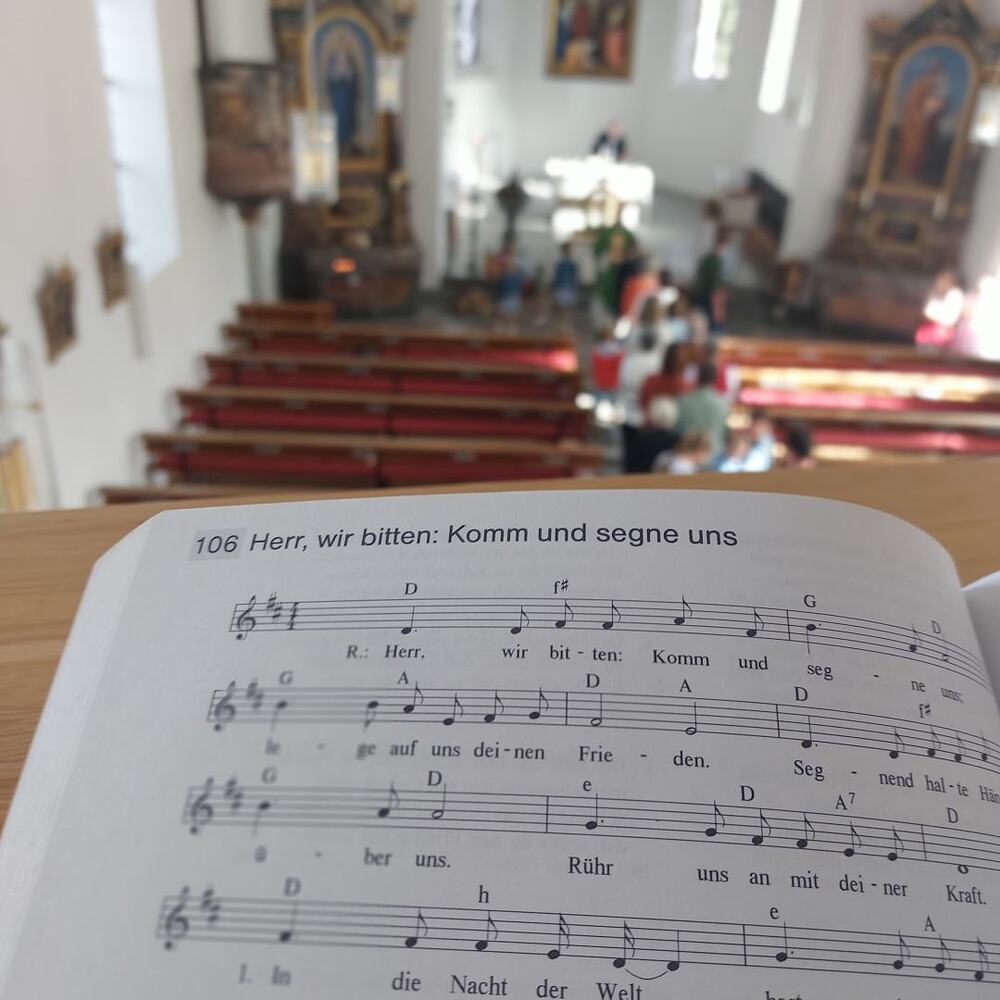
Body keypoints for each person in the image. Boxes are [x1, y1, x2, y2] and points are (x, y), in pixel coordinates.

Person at [618, 309, 666, 473]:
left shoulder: (630, 361)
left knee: (630, 458)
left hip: (631, 413)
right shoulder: (657, 363)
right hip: (643, 415)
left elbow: (622, 383)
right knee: (643, 461)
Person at [675, 362, 729, 459]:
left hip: (686, 454)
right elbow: (724, 432)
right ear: (715, 379)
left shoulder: (683, 400)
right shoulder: (722, 403)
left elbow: (676, 429)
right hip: (712, 456)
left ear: (698, 377)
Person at [693, 229, 730, 332]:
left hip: (703, 294)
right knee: (714, 327)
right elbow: (715, 287)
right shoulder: (716, 261)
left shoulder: (707, 258)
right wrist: (718, 308)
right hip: (710, 297)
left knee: (702, 324)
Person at [551, 243, 580, 313]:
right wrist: (554, 288)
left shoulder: (572, 263)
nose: (566, 252)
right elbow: (556, 277)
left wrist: (576, 287)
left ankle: (567, 319)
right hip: (562, 288)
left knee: (569, 308)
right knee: (562, 308)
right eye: (564, 250)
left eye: (567, 250)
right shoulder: (559, 264)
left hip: (569, 287)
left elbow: (575, 276)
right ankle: (564, 318)